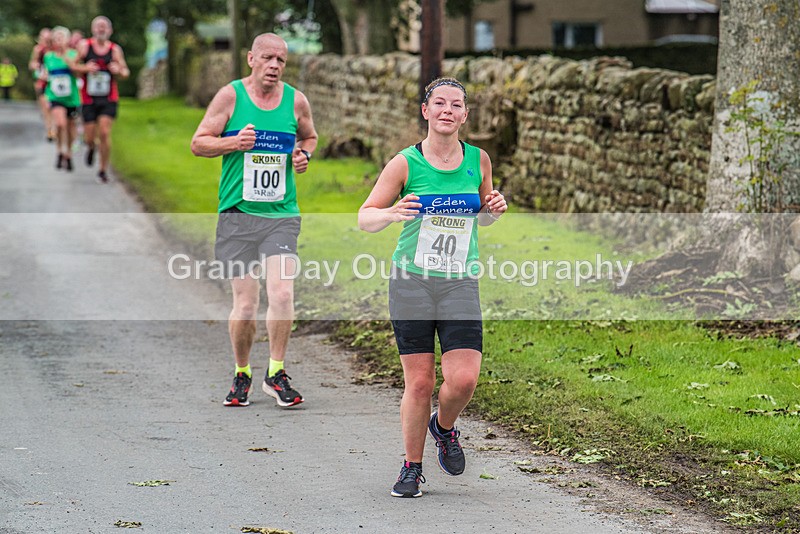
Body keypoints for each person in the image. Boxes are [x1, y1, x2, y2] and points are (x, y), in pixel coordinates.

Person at [358, 77, 507, 498]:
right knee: (420, 383)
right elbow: (364, 217)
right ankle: (412, 467)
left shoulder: (478, 160)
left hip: (459, 281)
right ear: (425, 110)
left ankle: (443, 428)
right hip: (412, 283)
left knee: (463, 380)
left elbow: (482, 214)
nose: (447, 110)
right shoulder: (405, 163)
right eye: (439, 103)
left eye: (455, 105)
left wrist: (494, 209)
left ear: (464, 114)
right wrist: (391, 212)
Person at [190, 33, 318, 408]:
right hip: (237, 216)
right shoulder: (231, 97)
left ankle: (275, 372)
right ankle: (242, 372)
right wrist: (233, 143)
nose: (275, 66)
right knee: (245, 305)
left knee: (281, 293)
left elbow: (309, 138)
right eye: (267, 58)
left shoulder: (296, 101)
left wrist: (303, 157)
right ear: (251, 59)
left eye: (281, 60)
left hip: (281, 215)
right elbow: (198, 143)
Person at [73, 16, 129, 183]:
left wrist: (118, 69)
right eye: (98, 27)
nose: (101, 29)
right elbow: (72, 65)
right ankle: (91, 147)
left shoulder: (115, 49)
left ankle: (103, 170)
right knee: (89, 137)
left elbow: (126, 72)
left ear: (110, 31)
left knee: (104, 133)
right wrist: (85, 68)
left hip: (109, 98)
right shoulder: (84, 46)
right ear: (93, 29)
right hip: (88, 99)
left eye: (104, 27)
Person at [43, 26, 81, 171]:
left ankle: (69, 153)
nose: (59, 40)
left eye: (62, 37)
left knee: (71, 127)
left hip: (71, 97)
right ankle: (59, 150)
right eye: (56, 38)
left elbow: (79, 74)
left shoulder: (74, 54)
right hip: (54, 96)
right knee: (60, 124)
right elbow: (46, 74)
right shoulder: (48, 57)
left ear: (67, 39)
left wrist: (69, 62)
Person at [29, 28, 55, 140]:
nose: (45, 41)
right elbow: (32, 64)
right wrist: (37, 70)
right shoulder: (38, 50)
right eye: (43, 38)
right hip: (42, 82)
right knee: (46, 107)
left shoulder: (55, 50)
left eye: (48, 39)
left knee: (54, 107)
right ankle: (49, 130)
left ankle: (54, 128)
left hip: (55, 82)